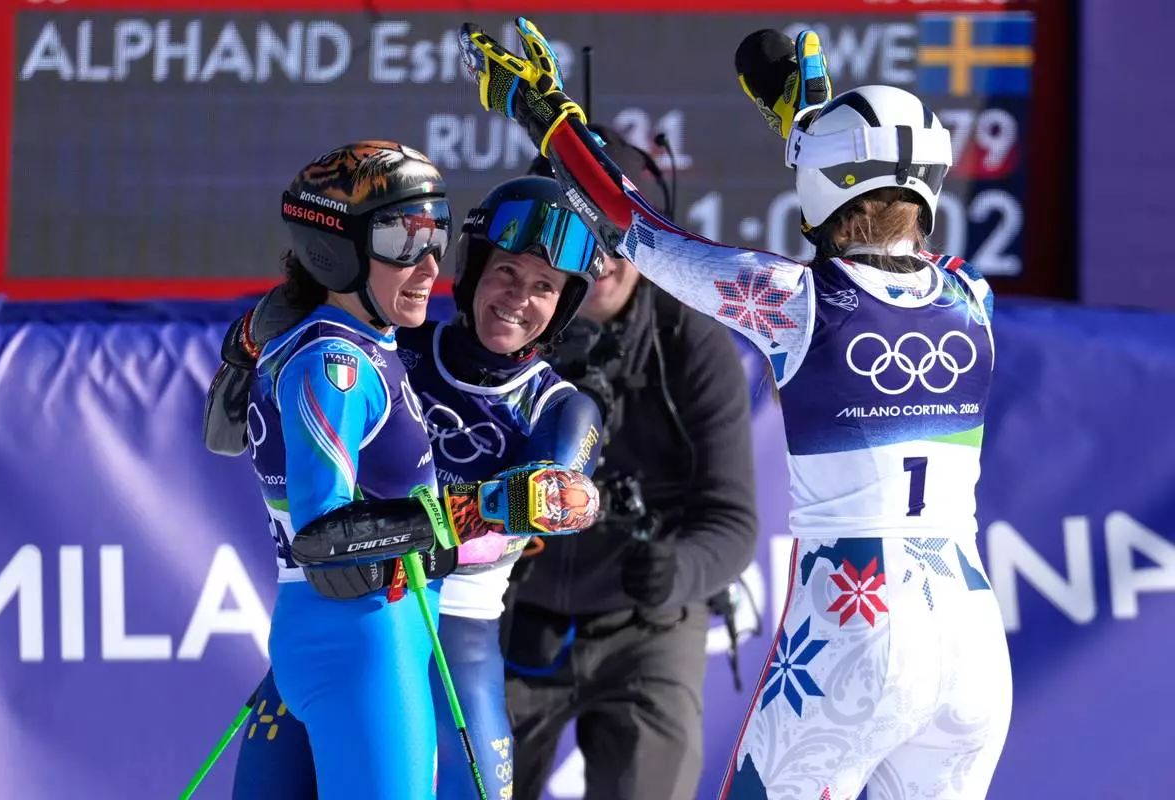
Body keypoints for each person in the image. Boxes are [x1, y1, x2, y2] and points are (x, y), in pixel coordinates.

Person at [460, 20, 1012, 800]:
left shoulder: (798, 303)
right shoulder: (970, 294)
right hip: (972, 636)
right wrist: (812, 130)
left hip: (858, 623)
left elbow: (630, 225)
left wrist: (542, 112)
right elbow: (878, 232)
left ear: (825, 184)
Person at [204, 174, 606, 799]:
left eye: (544, 287)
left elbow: (534, 516)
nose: (518, 298)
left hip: (453, 645)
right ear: (472, 270)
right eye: (505, 272)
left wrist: (463, 520)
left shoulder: (562, 409)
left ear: (562, 305)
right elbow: (239, 427)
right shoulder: (395, 342)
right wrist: (255, 339)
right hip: (347, 613)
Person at [500, 123, 758, 800]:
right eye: (583, 239)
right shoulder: (499, 327)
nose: (605, 260)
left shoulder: (691, 342)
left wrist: (679, 572)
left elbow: (732, 520)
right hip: (508, 617)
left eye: (623, 237)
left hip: (648, 626)